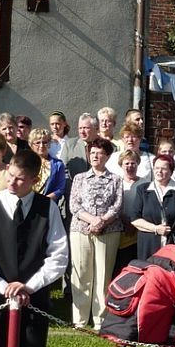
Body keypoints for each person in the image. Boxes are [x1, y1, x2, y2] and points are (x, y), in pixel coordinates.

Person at [0, 150, 68, 347]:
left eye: (20, 179)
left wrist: (29, 286)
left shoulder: (48, 209)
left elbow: (58, 256)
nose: (12, 183)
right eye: (10, 176)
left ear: (35, 180)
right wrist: (2, 287)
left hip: (33, 298)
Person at [69, 138, 122, 330]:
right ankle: (80, 320)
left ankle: (100, 320)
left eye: (99, 153)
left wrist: (102, 221)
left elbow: (117, 206)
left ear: (107, 156)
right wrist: (92, 220)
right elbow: (74, 205)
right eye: (92, 153)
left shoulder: (116, 179)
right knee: (82, 273)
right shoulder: (79, 178)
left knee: (103, 275)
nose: (95, 156)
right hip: (81, 231)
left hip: (108, 232)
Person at [131, 154, 175, 260]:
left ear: (171, 171)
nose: (159, 171)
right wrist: (155, 228)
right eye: (156, 168)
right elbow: (135, 219)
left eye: (164, 168)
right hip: (149, 243)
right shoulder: (142, 190)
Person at [27, 128, 66, 202]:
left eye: (45, 142)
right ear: (31, 145)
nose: (41, 146)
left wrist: (43, 200)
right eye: (38, 143)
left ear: (49, 144)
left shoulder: (58, 164)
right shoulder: (24, 162)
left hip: (47, 204)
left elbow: (60, 189)